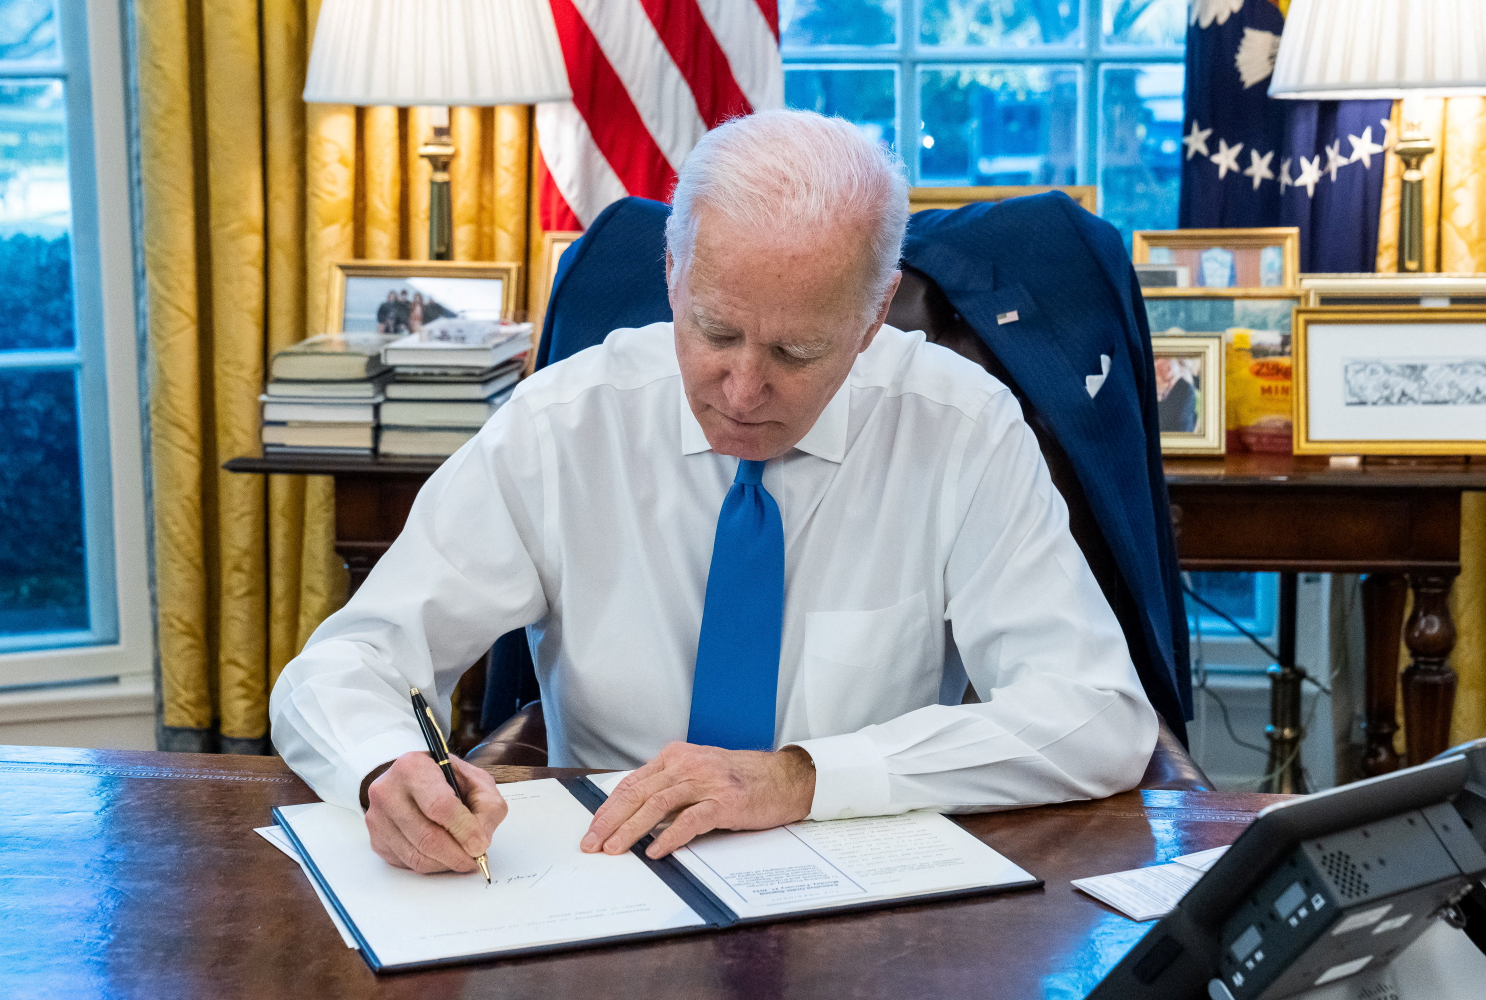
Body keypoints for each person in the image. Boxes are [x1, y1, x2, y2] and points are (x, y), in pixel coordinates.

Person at [271, 109, 1157, 877]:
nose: (740, 390)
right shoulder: (566, 424)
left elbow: (1096, 716)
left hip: (864, 891)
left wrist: (802, 776)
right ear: (672, 275)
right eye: (715, 330)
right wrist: (384, 769)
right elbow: (345, 667)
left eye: (796, 353)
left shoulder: (962, 428)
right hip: (599, 880)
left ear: (874, 315)